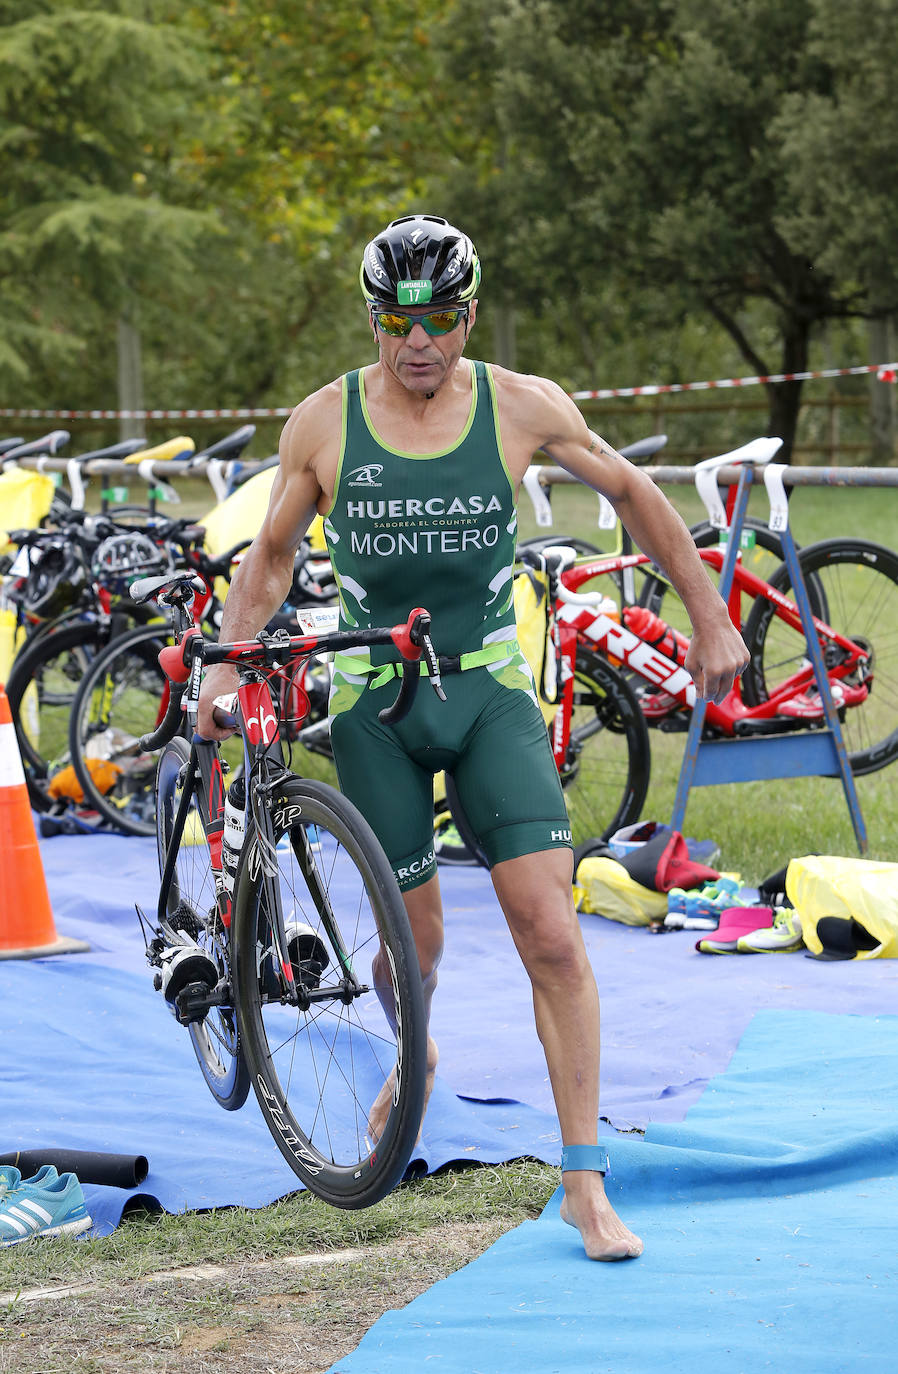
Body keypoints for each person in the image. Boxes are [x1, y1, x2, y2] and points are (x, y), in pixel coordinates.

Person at [197, 213, 750, 1261]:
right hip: (376, 705)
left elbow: (633, 493)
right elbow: (268, 557)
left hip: (487, 691)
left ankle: (584, 1184)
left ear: (470, 315)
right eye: (398, 323)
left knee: (549, 930)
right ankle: (415, 1058)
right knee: (419, 953)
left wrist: (710, 616)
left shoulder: (522, 406)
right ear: (372, 321)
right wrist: (227, 662)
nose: (419, 343)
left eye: (441, 321)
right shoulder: (322, 423)